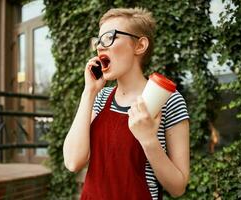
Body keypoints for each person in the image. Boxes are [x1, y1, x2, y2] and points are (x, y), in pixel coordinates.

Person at [63, 7, 190, 200]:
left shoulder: (168, 100)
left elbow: (178, 187)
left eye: (109, 37)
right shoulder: (100, 97)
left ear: (140, 46)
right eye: (99, 40)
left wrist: (149, 140)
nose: (100, 47)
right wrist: (88, 92)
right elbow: (73, 162)